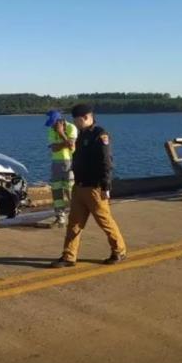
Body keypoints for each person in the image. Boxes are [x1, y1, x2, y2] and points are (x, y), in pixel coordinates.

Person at [51, 104, 127, 268]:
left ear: (86, 117)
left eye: (77, 120)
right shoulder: (82, 134)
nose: (75, 124)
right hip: (79, 186)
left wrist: (106, 186)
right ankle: (69, 256)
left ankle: (119, 250)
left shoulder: (100, 135)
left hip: (94, 187)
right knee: (74, 223)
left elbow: (106, 162)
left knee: (105, 222)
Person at [45, 109, 78, 227]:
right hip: (56, 163)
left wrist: (61, 134)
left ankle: (76, 216)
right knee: (57, 191)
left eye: (54, 123)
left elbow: (71, 146)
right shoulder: (50, 130)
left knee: (69, 190)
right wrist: (65, 143)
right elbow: (54, 148)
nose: (53, 126)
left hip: (69, 162)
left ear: (60, 121)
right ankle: (60, 217)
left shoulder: (71, 128)